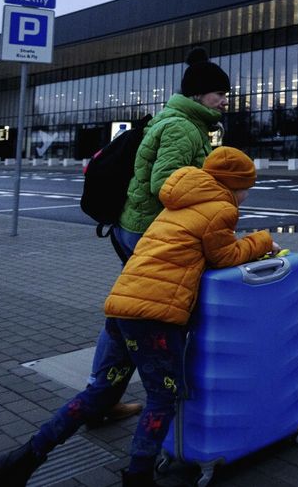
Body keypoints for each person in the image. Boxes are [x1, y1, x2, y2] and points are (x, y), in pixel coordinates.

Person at [0, 146, 280, 487]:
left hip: (124, 307)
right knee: (163, 397)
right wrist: (262, 241)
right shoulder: (220, 208)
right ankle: (137, 478)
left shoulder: (178, 202)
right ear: (233, 184)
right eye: (246, 188)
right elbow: (225, 255)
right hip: (155, 318)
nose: (246, 195)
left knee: (101, 394)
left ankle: (18, 463)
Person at [91, 46, 232, 425]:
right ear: (200, 94)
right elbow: (163, 184)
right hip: (145, 231)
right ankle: (127, 396)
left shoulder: (187, 123)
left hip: (141, 228)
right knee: (142, 315)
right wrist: (214, 192)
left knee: (129, 313)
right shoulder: (183, 127)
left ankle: (101, 397)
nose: (224, 101)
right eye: (220, 94)